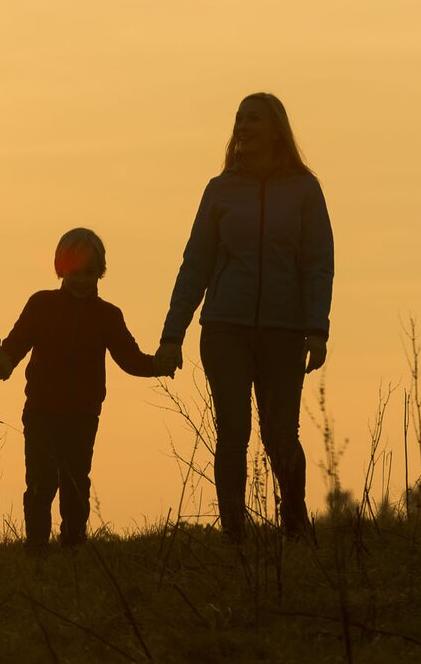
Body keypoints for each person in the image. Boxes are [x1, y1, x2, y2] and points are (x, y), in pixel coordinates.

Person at [153, 92, 335, 542]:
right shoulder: (219, 190)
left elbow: (318, 263)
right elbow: (194, 264)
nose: (243, 125)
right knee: (232, 431)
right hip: (224, 330)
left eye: (253, 118)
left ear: (277, 129)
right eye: (238, 118)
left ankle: (294, 524)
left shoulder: (305, 190)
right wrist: (172, 335)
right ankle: (235, 532)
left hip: (285, 332)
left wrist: (317, 327)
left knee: (279, 436)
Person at [0, 229, 167, 550]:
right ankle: (36, 549)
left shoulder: (108, 316)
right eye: (75, 272)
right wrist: (2, 362)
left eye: (89, 272)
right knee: (40, 485)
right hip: (41, 411)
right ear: (61, 269)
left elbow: (129, 359)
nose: (82, 280)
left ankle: (74, 545)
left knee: (75, 483)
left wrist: (159, 365)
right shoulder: (41, 304)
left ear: (100, 272)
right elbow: (16, 344)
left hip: (83, 415)